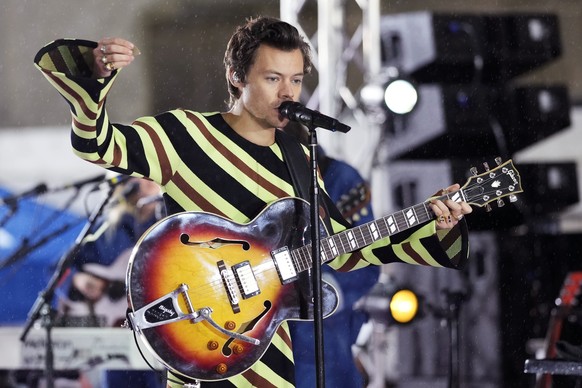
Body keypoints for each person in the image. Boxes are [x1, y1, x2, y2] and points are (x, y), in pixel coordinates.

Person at [34, 16, 472, 388]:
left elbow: (343, 247)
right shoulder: (185, 134)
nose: (288, 93)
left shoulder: (300, 158)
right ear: (236, 77)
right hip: (200, 342)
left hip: (267, 358)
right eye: (273, 78)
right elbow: (100, 146)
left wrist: (435, 224)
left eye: (296, 80)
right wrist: (94, 80)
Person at [55, 177, 165, 388]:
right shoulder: (106, 228)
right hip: (118, 338)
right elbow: (59, 268)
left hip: (160, 333)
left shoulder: (169, 220)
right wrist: (78, 278)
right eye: (137, 173)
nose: (145, 179)